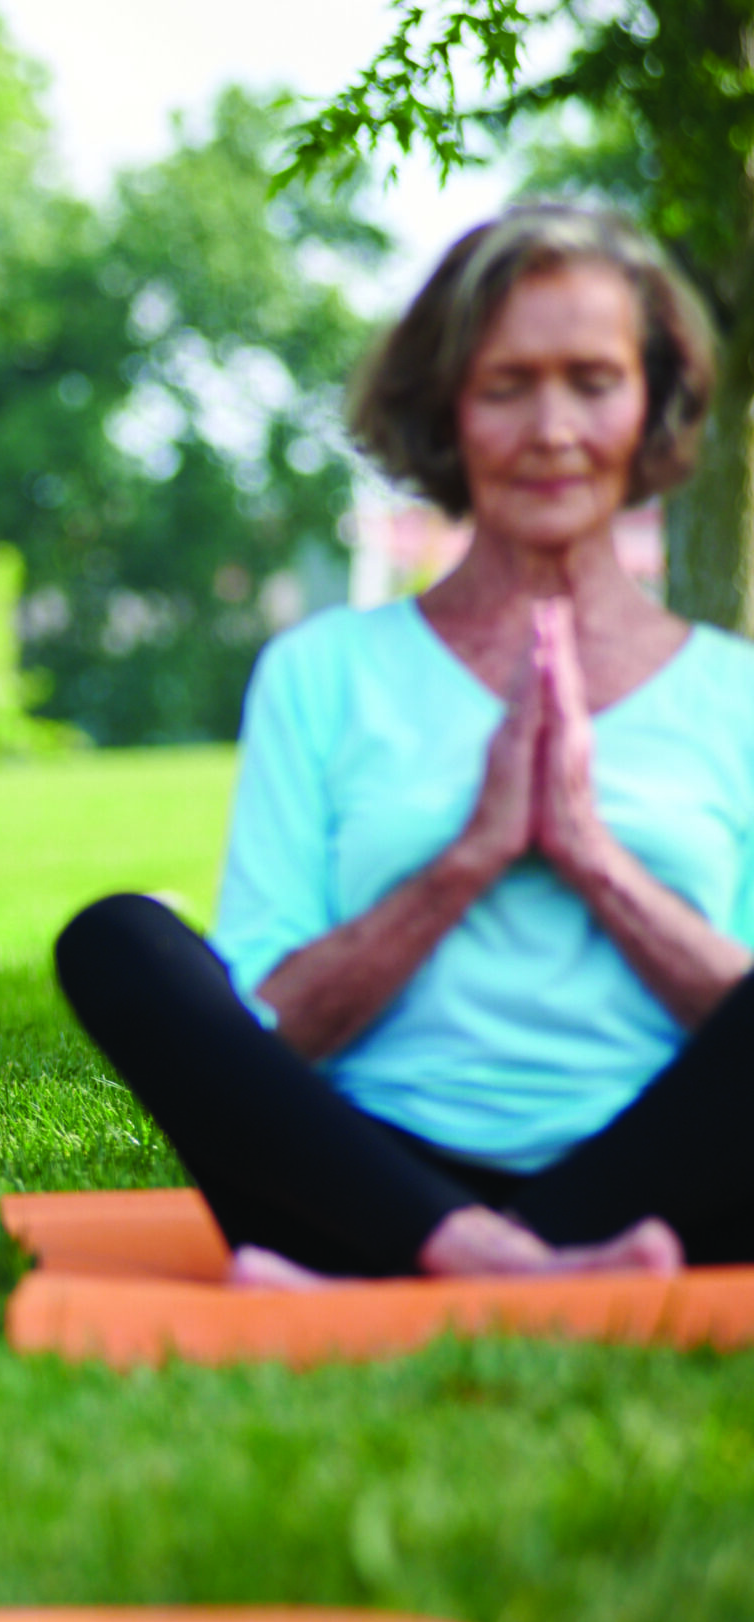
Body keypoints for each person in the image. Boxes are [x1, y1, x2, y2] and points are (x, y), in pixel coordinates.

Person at [56, 204, 754, 1285]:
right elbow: (267, 1029)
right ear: (445, 412)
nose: (552, 429)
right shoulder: (324, 671)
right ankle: (480, 1255)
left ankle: (462, 1268)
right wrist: (467, 857)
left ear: (653, 403)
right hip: (361, 1183)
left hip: (663, 1185)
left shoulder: (732, 693)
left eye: (592, 381)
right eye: (506, 387)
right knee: (118, 939)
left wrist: (592, 859)